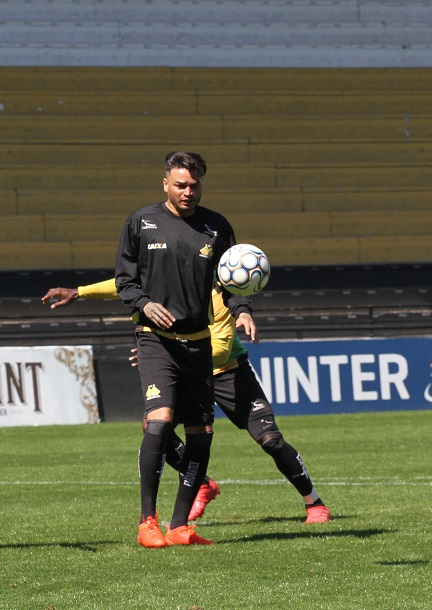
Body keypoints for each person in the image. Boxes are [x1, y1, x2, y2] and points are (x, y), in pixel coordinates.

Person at [42, 281, 332, 528]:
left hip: (229, 370)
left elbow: (217, 348)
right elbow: (125, 284)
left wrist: (167, 352)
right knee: (155, 428)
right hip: (186, 372)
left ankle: (314, 503)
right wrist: (79, 292)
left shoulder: (220, 293)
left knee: (270, 439)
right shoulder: (167, 284)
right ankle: (201, 483)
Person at [112, 150, 241, 548]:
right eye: (180, 185)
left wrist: (244, 310)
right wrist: (144, 303)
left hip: (199, 344)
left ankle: (180, 525)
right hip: (155, 341)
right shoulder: (141, 221)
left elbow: (234, 281)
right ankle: (146, 522)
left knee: (201, 431)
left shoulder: (216, 227)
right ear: (165, 183)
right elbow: (124, 280)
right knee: (160, 420)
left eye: (194, 185)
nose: (188, 191)